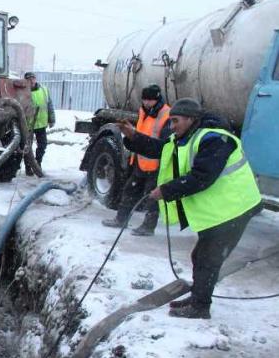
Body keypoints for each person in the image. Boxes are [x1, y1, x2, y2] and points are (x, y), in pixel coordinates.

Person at [117, 98, 262, 319]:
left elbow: (201, 177)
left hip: (235, 208)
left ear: (191, 119)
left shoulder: (215, 139)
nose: (171, 126)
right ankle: (198, 297)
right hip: (220, 210)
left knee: (207, 258)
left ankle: (200, 306)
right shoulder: (187, 138)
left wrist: (165, 190)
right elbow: (160, 148)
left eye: (175, 121)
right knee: (203, 256)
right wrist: (133, 136)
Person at [102, 84, 171, 235]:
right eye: (144, 100)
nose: (146, 103)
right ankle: (121, 219)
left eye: (149, 100)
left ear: (157, 99)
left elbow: (164, 145)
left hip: (156, 163)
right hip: (140, 160)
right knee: (129, 190)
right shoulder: (143, 111)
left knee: (152, 197)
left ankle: (148, 227)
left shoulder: (166, 115)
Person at [24, 71, 55, 174]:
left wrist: (51, 119)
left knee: (42, 145)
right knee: (27, 146)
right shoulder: (23, 91)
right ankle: (28, 167)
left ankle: (37, 163)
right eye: (28, 79)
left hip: (41, 124)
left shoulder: (44, 90)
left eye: (32, 78)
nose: (31, 81)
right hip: (27, 124)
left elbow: (49, 105)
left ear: (35, 79)